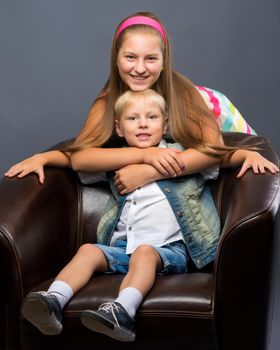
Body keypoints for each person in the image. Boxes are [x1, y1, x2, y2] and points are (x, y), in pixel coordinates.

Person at [21, 89, 278, 343]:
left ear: (165, 124)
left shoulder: (181, 156)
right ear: (119, 128)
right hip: (122, 249)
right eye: (133, 118)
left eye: (152, 117)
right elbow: (75, 159)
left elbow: (220, 157)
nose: (143, 124)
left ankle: (123, 311)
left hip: (170, 250)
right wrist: (42, 157)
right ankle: (53, 301)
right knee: (88, 250)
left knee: (145, 252)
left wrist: (248, 153)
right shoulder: (115, 160)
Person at [4, 11, 275, 186]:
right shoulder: (108, 100)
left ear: (164, 61)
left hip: (224, 137)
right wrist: (146, 155)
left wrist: (150, 171)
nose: (140, 68)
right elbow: (82, 156)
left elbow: (212, 149)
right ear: (116, 58)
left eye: (151, 59)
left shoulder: (184, 93)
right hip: (173, 159)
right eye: (131, 57)